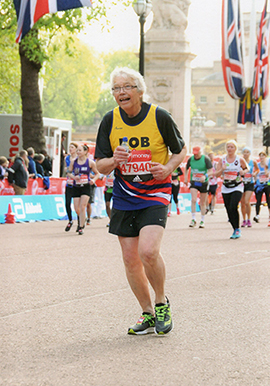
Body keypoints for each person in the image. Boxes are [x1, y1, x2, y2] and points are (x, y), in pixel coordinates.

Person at [95, 67, 186, 335]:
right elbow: (100, 165)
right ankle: (147, 313)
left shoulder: (160, 116)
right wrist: (115, 161)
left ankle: (161, 302)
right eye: (116, 88)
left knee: (148, 251)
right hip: (125, 194)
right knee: (130, 258)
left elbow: (180, 151)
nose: (121, 92)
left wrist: (168, 168)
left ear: (139, 90)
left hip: (155, 192)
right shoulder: (109, 121)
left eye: (126, 87)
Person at [215, 140, 249, 239]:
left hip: (237, 186)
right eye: (228, 147)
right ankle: (234, 228)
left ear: (235, 149)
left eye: (232, 147)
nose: (230, 149)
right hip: (226, 187)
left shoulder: (239, 159)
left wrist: (243, 171)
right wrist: (222, 169)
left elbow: (247, 168)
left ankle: (237, 229)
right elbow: (217, 174)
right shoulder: (222, 160)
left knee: (233, 206)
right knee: (229, 209)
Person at [67, 144, 99, 235]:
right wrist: (74, 177)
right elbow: (68, 172)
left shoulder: (90, 162)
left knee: (83, 206)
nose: (78, 152)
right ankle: (82, 219)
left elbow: (97, 173)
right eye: (77, 150)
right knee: (77, 208)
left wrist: (93, 180)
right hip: (76, 186)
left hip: (86, 186)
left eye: (80, 150)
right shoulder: (73, 161)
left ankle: (81, 227)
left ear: (85, 152)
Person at [184, 146, 213, 228]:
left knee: (203, 202)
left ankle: (202, 220)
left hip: (203, 183)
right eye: (194, 154)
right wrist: (186, 178)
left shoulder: (206, 159)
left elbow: (211, 171)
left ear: (201, 152)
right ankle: (193, 219)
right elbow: (186, 168)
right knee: (193, 199)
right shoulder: (191, 159)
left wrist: (205, 175)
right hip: (194, 182)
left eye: (197, 154)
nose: (196, 156)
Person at [240, 147, 259, 227]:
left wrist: (255, 173)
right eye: (244, 152)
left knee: (247, 201)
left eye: (247, 152)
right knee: (242, 202)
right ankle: (244, 220)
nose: (246, 154)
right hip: (241, 183)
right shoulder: (240, 161)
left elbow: (257, 170)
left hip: (249, 183)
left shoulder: (253, 162)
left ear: (250, 154)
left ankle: (248, 219)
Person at [253, 151, 270, 226]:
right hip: (259, 185)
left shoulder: (268, 165)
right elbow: (254, 173)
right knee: (258, 200)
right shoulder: (257, 165)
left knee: (268, 201)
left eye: (263, 156)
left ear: (265, 157)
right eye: (260, 156)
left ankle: (269, 216)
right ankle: (257, 215)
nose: (262, 157)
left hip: (267, 184)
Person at [64, 142, 78, 232]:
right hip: (69, 183)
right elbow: (66, 169)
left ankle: (80, 222)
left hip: (77, 184)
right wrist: (68, 171)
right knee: (67, 203)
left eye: (72, 147)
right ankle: (70, 220)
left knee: (78, 206)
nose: (70, 149)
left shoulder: (79, 159)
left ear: (76, 149)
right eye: (69, 147)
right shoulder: (67, 158)